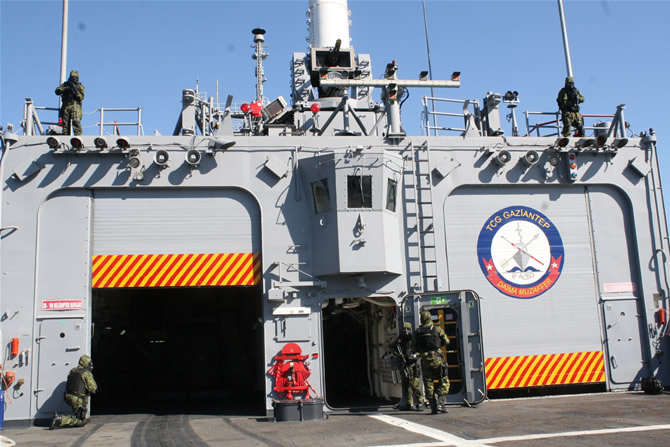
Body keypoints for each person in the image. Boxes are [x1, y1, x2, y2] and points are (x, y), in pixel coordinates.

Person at [411, 310, 450, 414]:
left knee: (428, 383)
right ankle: (441, 403)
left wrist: (421, 351)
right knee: (443, 380)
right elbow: (446, 341)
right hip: (437, 358)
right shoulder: (437, 329)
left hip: (425, 360)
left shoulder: (418, 332)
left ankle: (433, 406)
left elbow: (413, 348)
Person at [50, 354, 98, 429]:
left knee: (78, 416)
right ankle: (60, 420)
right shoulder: (86, 373)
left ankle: (61, 419)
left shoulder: (73, 371)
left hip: (68, 397)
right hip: (78, 399)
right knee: (81, 421)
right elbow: (93, 388)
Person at [393, 322, 425, 411]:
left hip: (412, 364)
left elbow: (420, 350)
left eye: (407, 329)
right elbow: (394, 348)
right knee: (406, 385)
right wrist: (398, 356)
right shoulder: (400, 340)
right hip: (404, 365)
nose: (405, 331)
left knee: (414, 384)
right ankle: (409, 403)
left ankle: (421, 401)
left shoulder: (414, 339)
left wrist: (415, 355)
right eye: (404, 329)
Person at [55, 70, 85, 136]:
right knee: (65, 123)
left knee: (76, 121)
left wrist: (76, 93)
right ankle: (65, 136)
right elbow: (57, 91)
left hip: (75, 105)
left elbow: (81, 97)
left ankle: (78, 136)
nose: (73, 79)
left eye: (75, 77)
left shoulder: (79, 86)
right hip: (66, 105)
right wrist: (66, 89)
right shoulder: (65, 85)